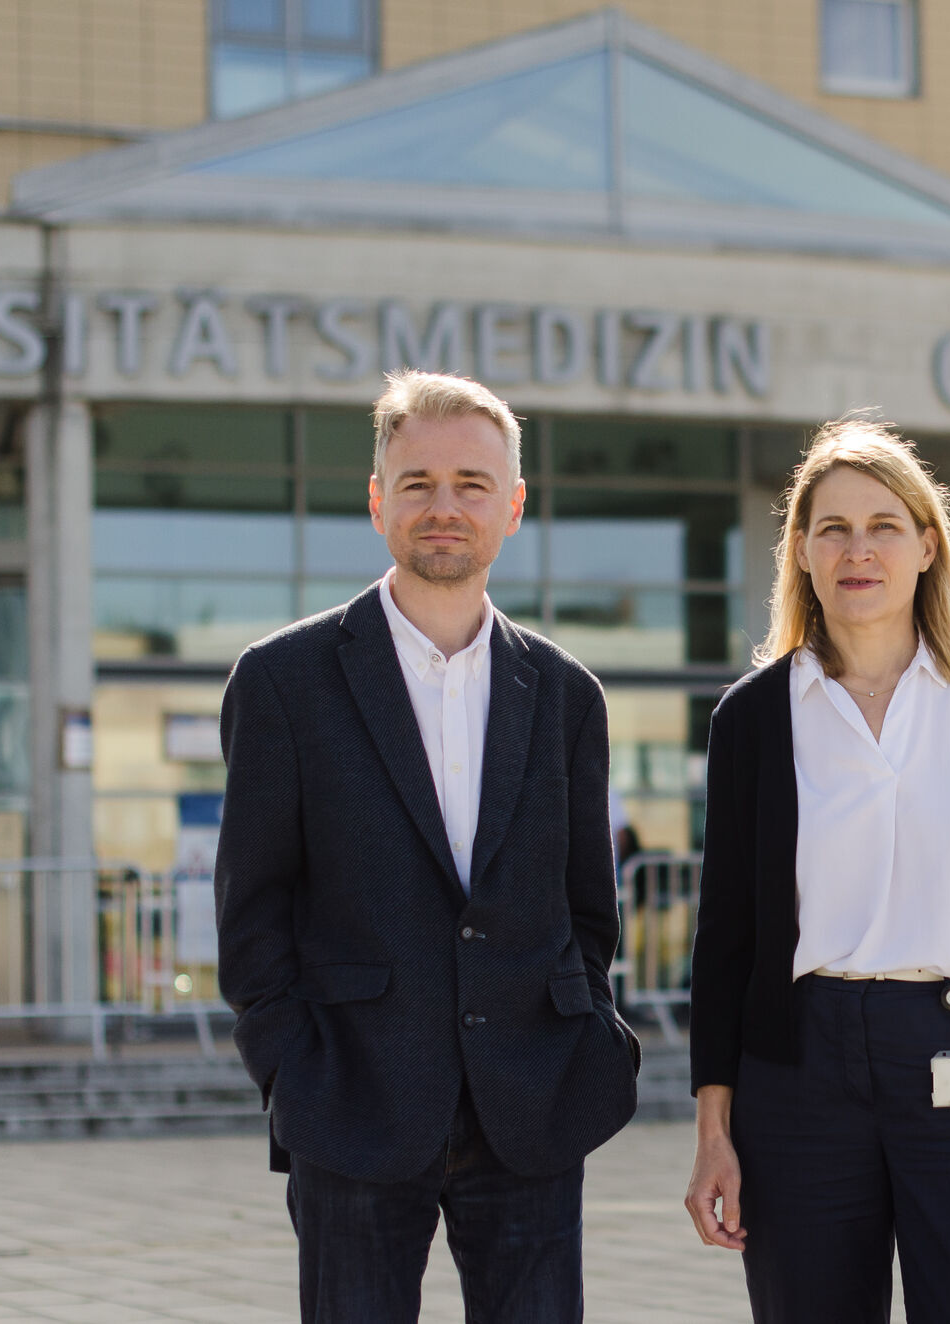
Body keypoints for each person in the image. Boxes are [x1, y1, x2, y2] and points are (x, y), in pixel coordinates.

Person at [214, 370, 641, 1324]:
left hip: (530, 1106)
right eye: (416, 483)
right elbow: (253, 911)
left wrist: (586, 1037)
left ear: (514, 506)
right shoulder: (283, 682)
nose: (443, 507)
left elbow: (588, 912)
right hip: (352, 1103)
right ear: (376, 501)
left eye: (472, 484)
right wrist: (291, 1067)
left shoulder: (568, 695)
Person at [683, 418, 950, 1323]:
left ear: (928, 546)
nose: (857, 550)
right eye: (832, 529)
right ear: (800, 552)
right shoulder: (755, 717)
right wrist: (713, 1127)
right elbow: (724, 935)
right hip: (799, 1075)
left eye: (883, 525)